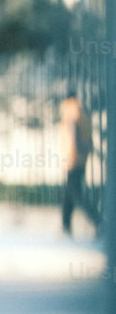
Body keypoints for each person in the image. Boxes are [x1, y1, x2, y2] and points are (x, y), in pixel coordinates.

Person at [59, 83, 99, 236]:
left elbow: (73, 128)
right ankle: (65, 224)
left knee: (75, 192)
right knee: (69, 192)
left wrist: (78, 146)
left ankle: (98, 221)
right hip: (80, 158)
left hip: (73, 158)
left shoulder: (70, 108)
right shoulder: (83, 111)